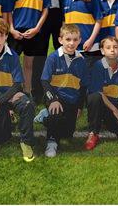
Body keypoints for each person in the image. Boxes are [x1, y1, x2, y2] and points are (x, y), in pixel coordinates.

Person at [0, 18, 36, 162]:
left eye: (2, 36)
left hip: (11, 94)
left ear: (6, 36)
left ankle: (26, 142)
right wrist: (0, 100)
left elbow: (17, 84)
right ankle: (9, 115)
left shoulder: (13, 56)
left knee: (27, 105)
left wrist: (0, 101)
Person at [38, 24, 93, 158]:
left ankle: (45, 117)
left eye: (75, 40)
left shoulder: (81, 61)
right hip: (56, 96)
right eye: (68, 39)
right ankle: (51, 143)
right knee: (56, 113)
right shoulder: (53, 57)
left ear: (80, 40)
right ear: (60, 40)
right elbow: (44, 81)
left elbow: (83, 86)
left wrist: (79, 106)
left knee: (67, 134)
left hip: (72, 100)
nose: (71, 43)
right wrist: (53, 100)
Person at [8, 0, 50, 94]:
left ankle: (27, 91)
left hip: (32, 31)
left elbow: (45, 9)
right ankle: (12, 92)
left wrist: (37, 28)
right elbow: (8, 10)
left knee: (28, 63)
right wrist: (12, 29)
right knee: (11, 63)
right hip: (16, 31)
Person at [85, 37, 118, 150]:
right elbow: (99, 92)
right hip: (101, 104)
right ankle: (93, 133)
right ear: (102, 51)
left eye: (115, 47)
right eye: (108, 47)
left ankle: (107, 123)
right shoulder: (97, 66)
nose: (112, 50)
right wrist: (115, 111)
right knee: (95, 97)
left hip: (114, 106)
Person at [62, 0, 102, 65]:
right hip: (72, 47)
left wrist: (90, 40)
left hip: (90, 46)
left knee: (91, 77)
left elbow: (99, 20)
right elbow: (65, 24)